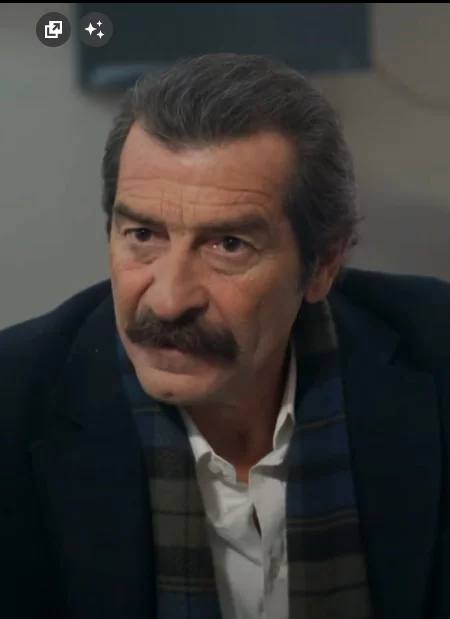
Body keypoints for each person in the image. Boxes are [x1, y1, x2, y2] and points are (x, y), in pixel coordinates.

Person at [1, 53, 449, 619]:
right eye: (142, 234)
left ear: (324, 264)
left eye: (228, 245)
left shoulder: (436, 352)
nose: (168, 300)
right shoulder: (12, 401)